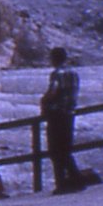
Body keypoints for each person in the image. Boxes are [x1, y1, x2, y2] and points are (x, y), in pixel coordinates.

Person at [40, 47, 86, 191]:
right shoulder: (74, 73)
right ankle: (74, 180)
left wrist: (43, 101)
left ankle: (64, 183)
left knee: (55, 150)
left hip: (56, 114)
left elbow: (53, 91)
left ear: (53, 59)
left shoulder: (57, 74)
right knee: (66, 149)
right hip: (69, 114)